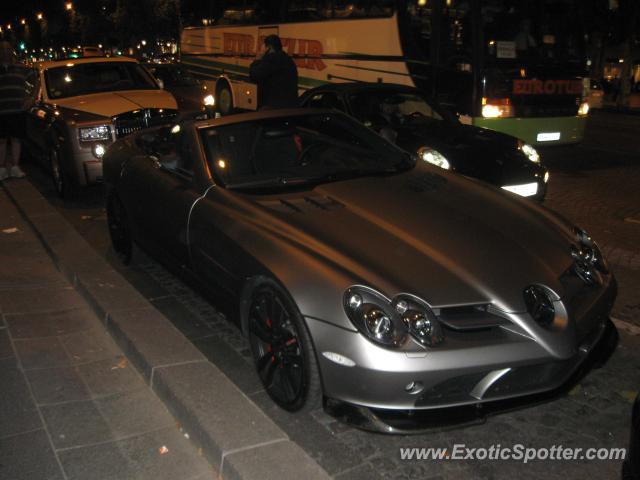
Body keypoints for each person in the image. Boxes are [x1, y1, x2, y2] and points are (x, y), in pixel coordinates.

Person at [0, 40, 30, 180]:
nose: (5, 51)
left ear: (11, 51)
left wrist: (32, 98)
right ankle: (2, 169)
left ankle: (15, 166)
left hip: (17, 109)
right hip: (1, 111)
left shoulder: (21, 68)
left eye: (7, 48)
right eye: (2, 49)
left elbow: (35, 81)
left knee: (16, 139)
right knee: (1, 141)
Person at [249, 35, 298, 109]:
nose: (261, 49)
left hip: (272, 107)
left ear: (268, 48)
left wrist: (257, 60)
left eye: (263, 46)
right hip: (290, 106)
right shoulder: (288, 60)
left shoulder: (270, 60)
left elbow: (254, 75)